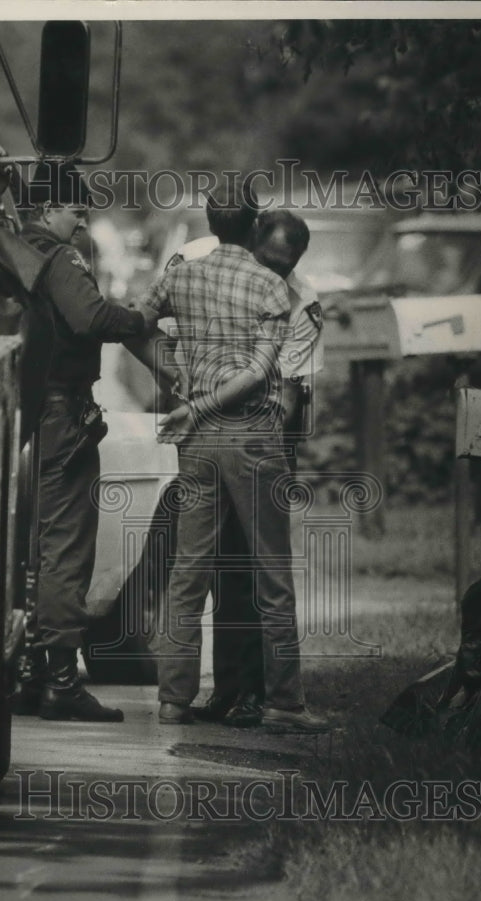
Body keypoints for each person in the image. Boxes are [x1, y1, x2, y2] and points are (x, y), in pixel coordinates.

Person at [138, 183, 327, 731]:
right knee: (273, 574)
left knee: (187, 572)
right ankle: (284, 704)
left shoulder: (181, 273)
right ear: (251, 228)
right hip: (249, 437)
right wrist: (202, 403)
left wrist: (175, 382)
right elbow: (263, 376)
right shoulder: (273, 290)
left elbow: (132, 322)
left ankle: (173, 701)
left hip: (195, 443)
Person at [12, 160, 149, 723]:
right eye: (76, 209)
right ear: (48, 208)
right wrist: (141, 318)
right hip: (63, 416)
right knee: (66, 547)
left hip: (29, 415)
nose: (82, 221)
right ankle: (62, 682)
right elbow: (90, 318)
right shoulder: (57, 254)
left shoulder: (12, 250)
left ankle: (31, 671)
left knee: (34, 549)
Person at [186, 211, 325, 726]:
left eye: (285, 268)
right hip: (212, 434)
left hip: (262, 440)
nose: (275, 275)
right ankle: (228, 688)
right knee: (224, 568)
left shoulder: (302, 304)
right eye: (268, 262)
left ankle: (264, 694)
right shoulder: (209, 267)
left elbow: (289, 394)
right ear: (248, 243)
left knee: (261, 570)